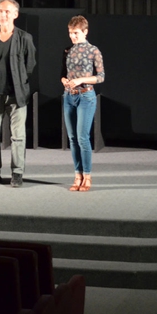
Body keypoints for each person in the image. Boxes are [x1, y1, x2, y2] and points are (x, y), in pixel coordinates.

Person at [0, 0, 37, 188]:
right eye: (0, 11)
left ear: (15, 14)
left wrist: (19, 80)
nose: (3, 15)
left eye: (6, 11)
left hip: (17, 94)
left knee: (18, 136)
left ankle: (17, 173)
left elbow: (30, 64)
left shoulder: (24, 38)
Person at [61, 15, 105, 192]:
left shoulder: (94, 50)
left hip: (86, 96)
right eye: (71, 33)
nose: (73, 36)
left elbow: (101, 77)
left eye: (76, 33)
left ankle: (87, 175)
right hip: (68, 96)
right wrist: (65, 81)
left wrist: (80, 80)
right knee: (72, 138)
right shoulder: (67, 50)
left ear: (85, 32)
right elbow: (62, 73)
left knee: (82, 137)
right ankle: (77, 174)